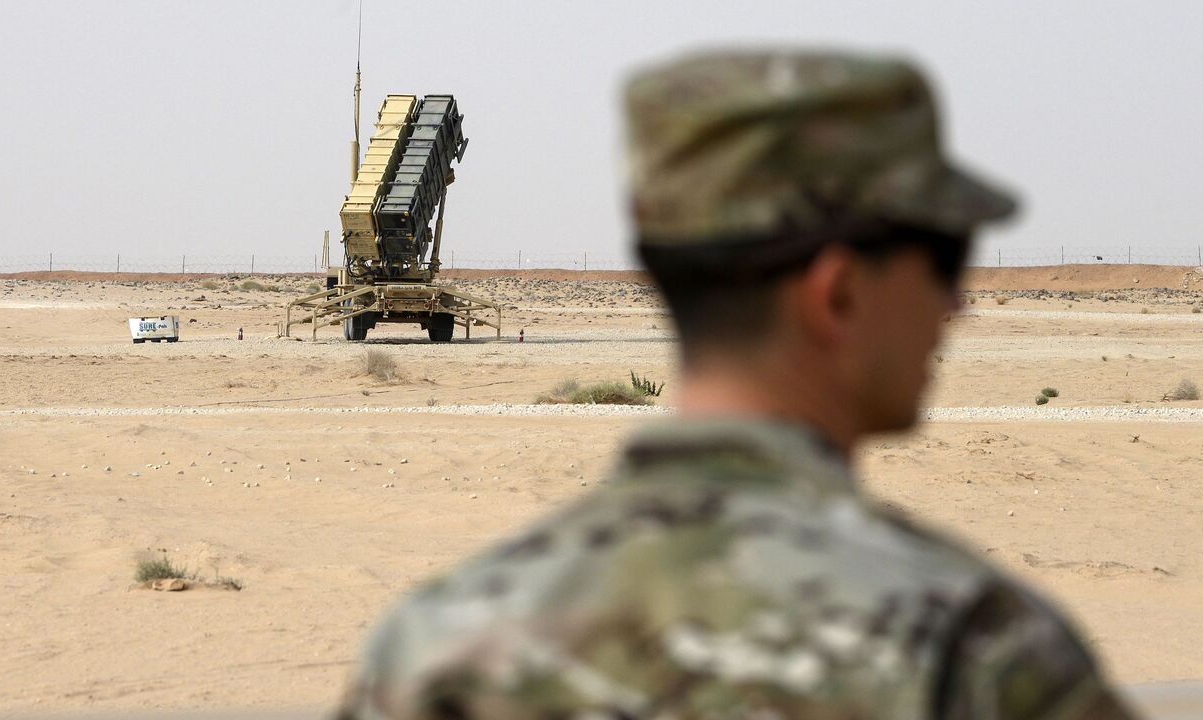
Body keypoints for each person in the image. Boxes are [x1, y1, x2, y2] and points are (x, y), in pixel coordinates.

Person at [338, 48, 1137, 719]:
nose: (955, 303)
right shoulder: (978, 651)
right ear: (840, 293)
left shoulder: (440, 648)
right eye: (944, 261)